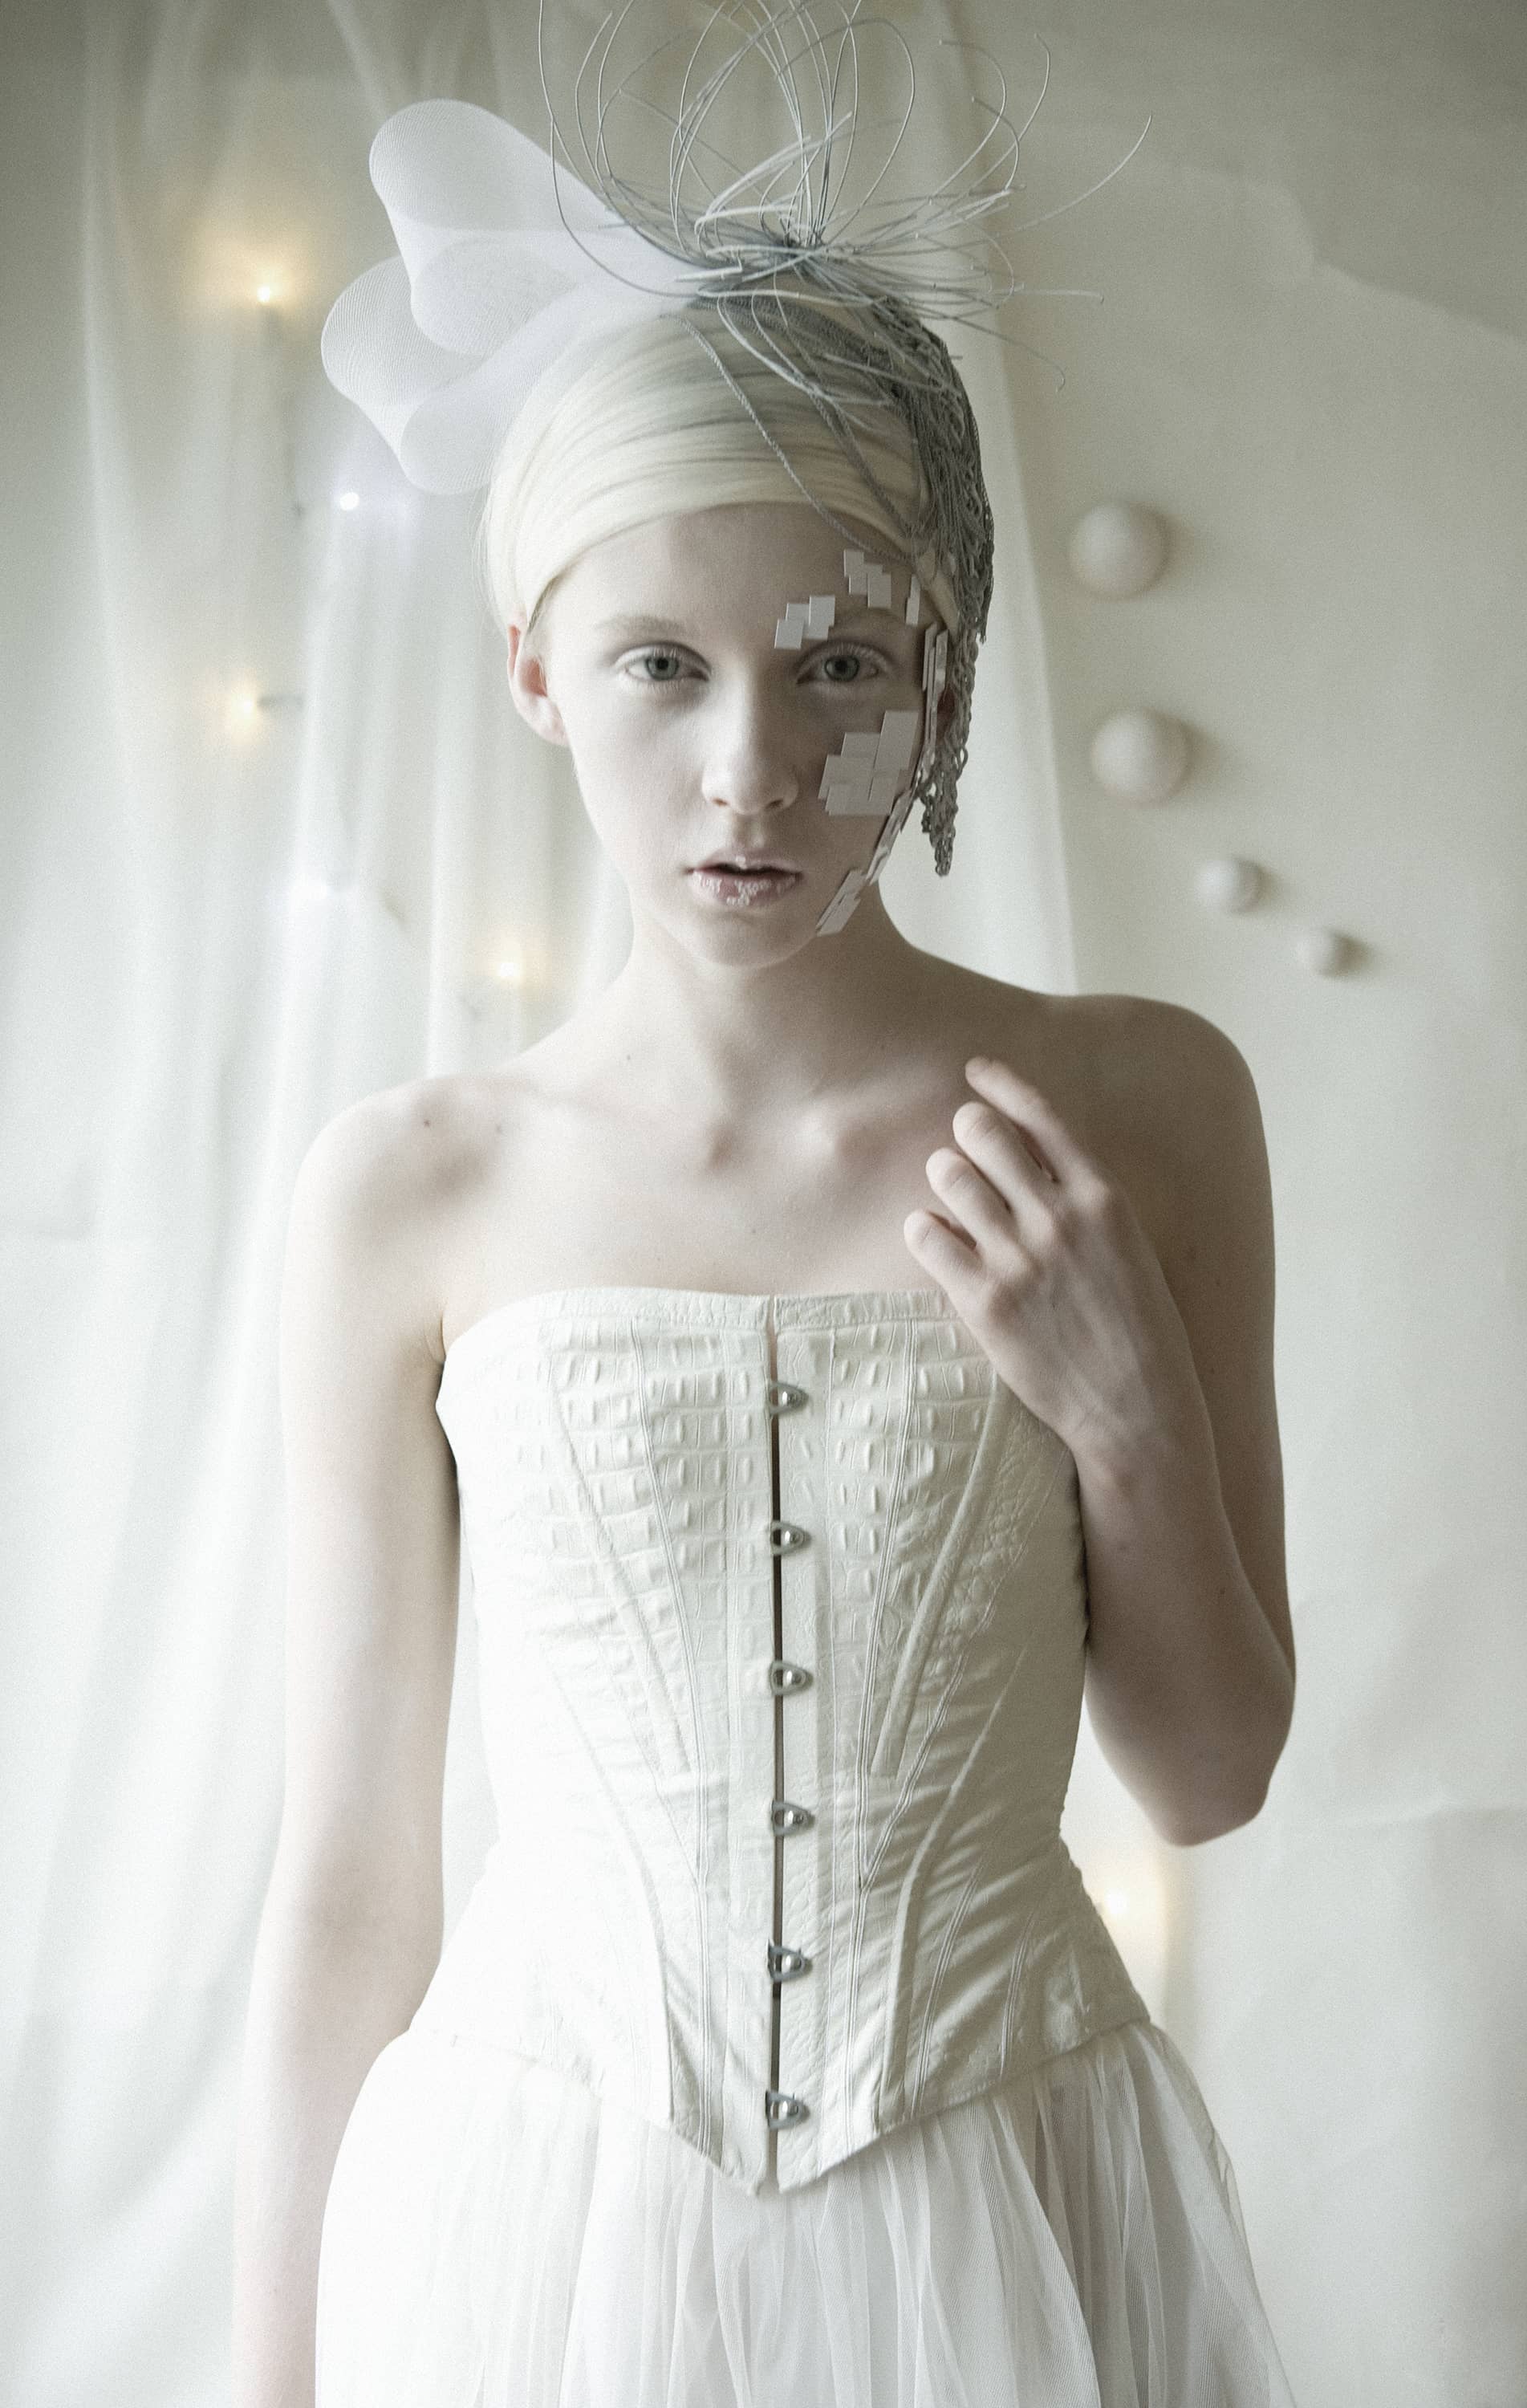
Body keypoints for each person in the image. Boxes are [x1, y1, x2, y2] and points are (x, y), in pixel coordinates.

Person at [232, 41, 1301, 2408]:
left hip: (1015, 2192)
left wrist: (1122, 1403)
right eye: (663, 669)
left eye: (837, 668)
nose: (752, 774)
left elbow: (1212, 1772)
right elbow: (351, 1885)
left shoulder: (1141, 1106)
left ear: (939, 682)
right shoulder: (417, 1184)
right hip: (539, 2221)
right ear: (537, 673)